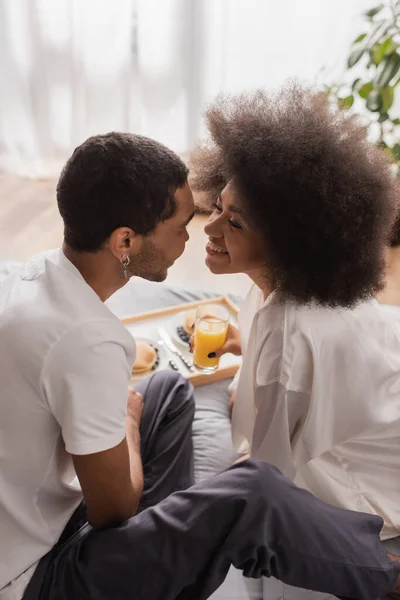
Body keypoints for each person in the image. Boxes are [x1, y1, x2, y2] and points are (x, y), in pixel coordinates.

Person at [0, 132, 399, 600]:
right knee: (253, 494)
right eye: (182, 224)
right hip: (39, 572)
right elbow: (112, 509)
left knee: (167, 387)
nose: (197, 234)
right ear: (125, 240)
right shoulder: (90, 339)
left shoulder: (24, 277)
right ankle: (388, 578)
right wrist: (127, 427)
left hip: (38, 513)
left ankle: (176, 537)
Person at [189, 84, 400, 598]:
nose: (209, 227)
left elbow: (266, 482)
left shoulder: (290, 330)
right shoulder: (289, 291)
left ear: (288, 241)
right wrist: (249, 346)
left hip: (379, 485)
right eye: (218, 206)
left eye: (233, 222)